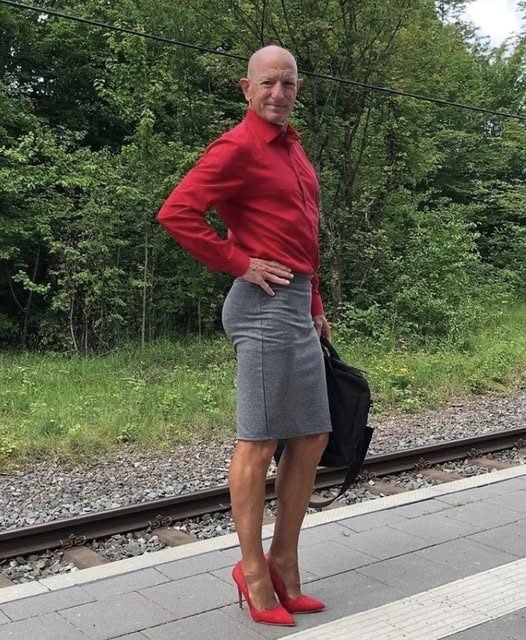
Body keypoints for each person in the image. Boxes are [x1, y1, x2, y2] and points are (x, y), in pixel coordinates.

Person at [157, 45, 332, 627]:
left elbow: (300, 234)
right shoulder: (237, 147)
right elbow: (178, 212)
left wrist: (314, 303)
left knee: (312, 436)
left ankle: (285, 560)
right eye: (268, 83)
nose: (278, 92)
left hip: (295, 304)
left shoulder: (293, 148)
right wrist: (238, 262)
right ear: (246, 87)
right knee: (258, 443)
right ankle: (253, 571)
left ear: (297, 87)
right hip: (261, 308)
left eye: (288, 83)